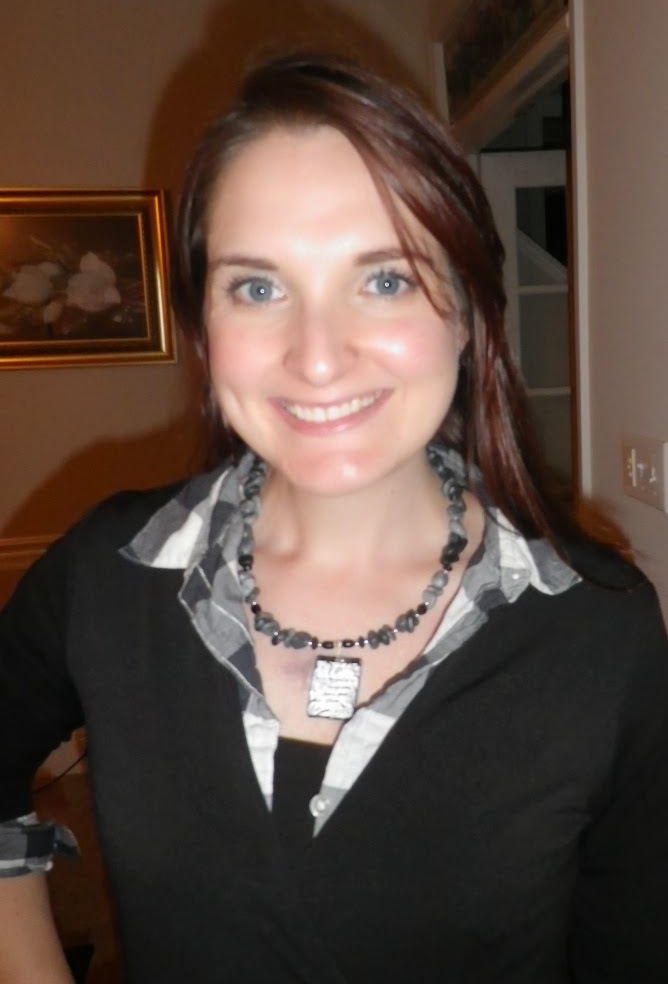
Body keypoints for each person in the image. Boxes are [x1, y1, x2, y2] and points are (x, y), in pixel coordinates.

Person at [1, 52, 667, 984]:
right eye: (258, 287)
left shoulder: (601, 630)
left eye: (385, 279)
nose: (317, 357)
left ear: (467, 311)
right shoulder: (107, 573)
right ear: (203, 325)